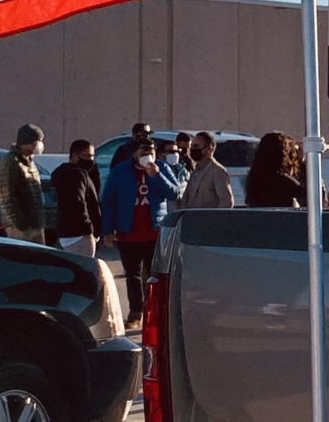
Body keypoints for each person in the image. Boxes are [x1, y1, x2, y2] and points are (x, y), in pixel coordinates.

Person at [104, 136, 177, 323]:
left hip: (154, 231)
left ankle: (155, 311)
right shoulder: (120, 171)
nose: (148, 155)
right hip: (128, 233)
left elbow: (173, 193)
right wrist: (107, 229)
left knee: (154, 274)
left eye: (151, 152)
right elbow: (109, 200)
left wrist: (157, 175)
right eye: (144, 152)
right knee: (132, 275)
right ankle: (136, 311)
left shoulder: (161, 168)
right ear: (134, 153)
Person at [50, 138, 102, 257]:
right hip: (79, 235)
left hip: (68, 232)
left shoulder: (65, 173)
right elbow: (78, 203)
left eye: (92, 156)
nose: (91, 160)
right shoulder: (77, 175)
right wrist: (88, 229)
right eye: (87, 156)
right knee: (84, 271)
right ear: (75, 156)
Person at [0, 125, 48, 242]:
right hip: (21, 228)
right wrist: (20, 224)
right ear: (29, 142)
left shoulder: (29, 161)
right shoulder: (11, 161)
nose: (40, 145)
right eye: (39, 141)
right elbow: (7, 196)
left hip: (35, 224)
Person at [244, 130, 304, 207]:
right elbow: (312, 193)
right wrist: (303, 163)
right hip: (282, 218)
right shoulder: (282, 181)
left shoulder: (255, 180)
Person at [179, 131, 235, 210]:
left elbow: (227, 202)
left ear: (209, 148)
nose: (192, 149)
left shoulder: (217, 171)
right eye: (191, 146)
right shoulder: (196, 170)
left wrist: (213, 219)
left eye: (196, 146)